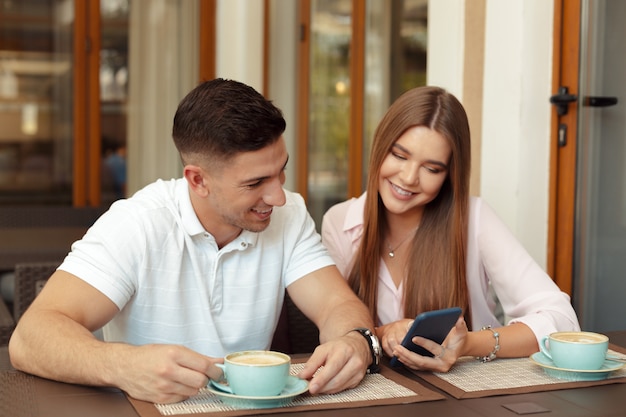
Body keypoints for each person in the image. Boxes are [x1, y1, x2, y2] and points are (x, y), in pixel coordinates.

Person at [9, 78, 379, 404]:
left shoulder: (290, 213)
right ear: (197, 180)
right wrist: (122, 365)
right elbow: (29, 338)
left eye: (281, 172)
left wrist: (355, 341)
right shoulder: (136, 224)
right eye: (254, 184)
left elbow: (335, 303)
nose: (278, 197)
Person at [321, 86, 580, 373]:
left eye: (431, 169)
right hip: (379, 392)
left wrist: (468, 344)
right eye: (399, 155)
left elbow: (561, 319)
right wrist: (383, 333)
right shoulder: (340, 222)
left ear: (448, 175)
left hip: (468, 393)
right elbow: (336, 323)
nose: (407, 178)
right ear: (380, 146)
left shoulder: (475, 219)